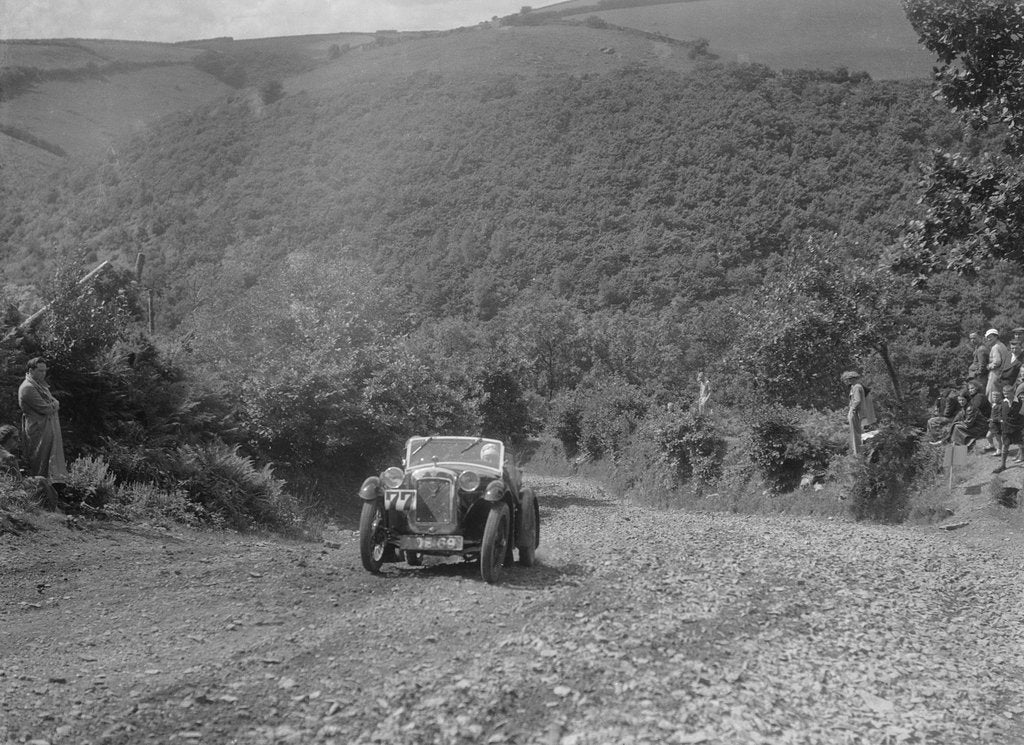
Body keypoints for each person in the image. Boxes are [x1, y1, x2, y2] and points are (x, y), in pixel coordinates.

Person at [18, 357, 68, 483]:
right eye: (40, 371)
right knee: (39, 459)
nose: (43, 373)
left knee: (47, 459)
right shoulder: (27, 387)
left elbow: (51, 403)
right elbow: (46, 408)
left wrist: (54, 403)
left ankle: (49, 488)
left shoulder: (40, 385)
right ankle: (39, 491)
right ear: (31, 370)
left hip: (45, 427)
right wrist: (55, 404)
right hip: (37, 428)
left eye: (45, 371)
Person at [842, 370, 875, 455]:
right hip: (856, 412)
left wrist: (852, 410)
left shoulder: (856, 387)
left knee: (855, 433)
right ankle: (859, 452)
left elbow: (857, 400)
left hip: (855, 413)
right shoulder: (855, 387)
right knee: (857, 432)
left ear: (855, 379)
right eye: (848, 379)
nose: (849, 380)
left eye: (850, 379)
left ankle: (857, 453)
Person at [950, 380, 991, 447]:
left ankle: (960, 444)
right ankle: (953, 442)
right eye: (969, 389)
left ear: (977, 388)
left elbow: (974, 409)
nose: (970, 390)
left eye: (972, 388)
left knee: (958, 426)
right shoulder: (972, 398)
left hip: (983, 422)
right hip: (976, 420)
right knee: (957, 422)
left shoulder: (979, 396)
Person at [995, 389, 1024, 473]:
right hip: (1006, 428)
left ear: (1013, 393)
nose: (1005, 395)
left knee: (1021, 443)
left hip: (1017, 428)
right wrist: (1000, 419)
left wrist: (1021, 426)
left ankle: (1022, 456)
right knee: (1005, 446)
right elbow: (1000, 413)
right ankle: (1003, 465)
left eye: (1007, 393)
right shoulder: (1003, 402)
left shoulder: (1020, 402)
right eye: (1004, 393)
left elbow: (1022, 416)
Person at [985, 328, 1010, 396]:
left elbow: (997, 362)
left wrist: (988, 366)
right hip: (1003, 373)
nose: (988, 339)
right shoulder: (1002, 345)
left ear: (996, 336)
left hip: (995, 373)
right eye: (987, 337)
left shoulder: (995, 347)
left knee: (990, 393)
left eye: (990, 337)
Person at [985, 388, 1007, 456]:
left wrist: (993, 419)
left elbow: (1001, 417)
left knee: (998, 439)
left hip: (997, 425)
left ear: (1000, 397)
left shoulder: (1001, 405)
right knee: (988, 436)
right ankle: (991, 445)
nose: (995, 398)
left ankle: (999, 450)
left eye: (996, 396)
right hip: (992, 425)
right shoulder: (993, 404)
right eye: (993, 396)